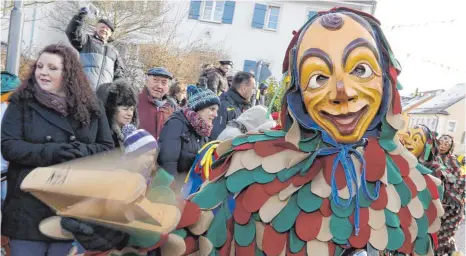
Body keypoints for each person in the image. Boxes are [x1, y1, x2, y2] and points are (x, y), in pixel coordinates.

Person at [169, 8, 443, 255]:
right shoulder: (245, 166)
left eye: (360, 69)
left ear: (385, 79)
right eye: (319, 77)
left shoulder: (416, 187)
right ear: (297, 92)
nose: (342, 93)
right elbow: (194, 236)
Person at [1, 44, 114, 256]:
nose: (43, 72)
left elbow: (107, 149)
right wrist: (52, 151)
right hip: (28, 206)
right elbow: (9, 146)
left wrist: (81, 152)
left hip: (72, 206)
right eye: (40, 66)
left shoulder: (92, 106)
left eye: (52, 68)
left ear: (69, 73)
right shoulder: (21, 101)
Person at [158, 85, 219, 189]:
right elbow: (167, 163)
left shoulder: (202, 131)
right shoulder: (176, 124)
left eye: (216, 110)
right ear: (198, 108)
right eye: (212, 109)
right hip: (171, 192)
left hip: (187, 191)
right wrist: (173, 192)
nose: (215, 114)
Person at [66, 5, 125, 90]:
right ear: (96, 28)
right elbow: (72, 32)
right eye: (102, 27)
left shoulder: (114, 51)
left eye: (107, 29)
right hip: (82, 90)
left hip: (103, 95)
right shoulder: (86, 40)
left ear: (110, 33)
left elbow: (119, 73)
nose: (104, 29)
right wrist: (81, 15)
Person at [436, 134, 465, 256]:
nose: (442, 146)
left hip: (451, 206)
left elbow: (457, 179)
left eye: (446, 144)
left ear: (451, 146)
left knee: (445, 236)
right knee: (437, 234)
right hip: (437, 203)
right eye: (441, 143)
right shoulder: (432, 158)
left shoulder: (452, 160)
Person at [210, 71, 254, 140]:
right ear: (244, 88)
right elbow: (216, 138)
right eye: (253, 88)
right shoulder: (223, 105)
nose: (254, 92)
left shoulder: (245, 105)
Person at [96, 79, 139, 149]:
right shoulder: (104, 136)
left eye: (132, 109)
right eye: (125, 109)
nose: (130, 114)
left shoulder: (133, 134)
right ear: (112, 109)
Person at [137, 67, 177, 139]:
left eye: (164, 82)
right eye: (155, 80)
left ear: (168, 87)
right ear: (147, 82)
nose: (159, 86)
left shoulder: (171, 108)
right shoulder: (135, 102)